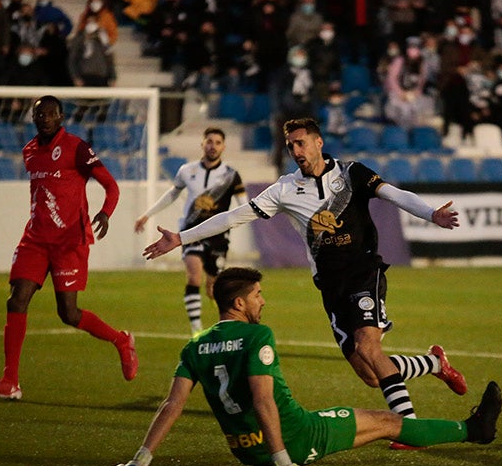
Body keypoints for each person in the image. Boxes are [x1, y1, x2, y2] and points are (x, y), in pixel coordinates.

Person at [141, 118, 468, 441]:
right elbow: (234, 216)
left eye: (301, 143)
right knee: (369, 372)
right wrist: (183, 237)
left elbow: (393, 194)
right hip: (330, 285)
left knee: (369, 346)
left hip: (363, 271)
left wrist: (430, 213)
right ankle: (434, 362)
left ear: (318, 142)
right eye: (290, 145)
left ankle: (409, 428)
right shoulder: (285, 189)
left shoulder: (351, 173)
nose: (296, 150)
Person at [96, 267, 502, 466]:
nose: (263, 301)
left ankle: (446, 386)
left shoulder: (195, 344)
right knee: (388, 420)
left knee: (374, 416)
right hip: (294, 437)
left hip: (243, 450)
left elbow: (172, 404)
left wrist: (141, 458)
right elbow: (263, 399)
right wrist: (284, 460)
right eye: (257, 295)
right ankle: (474, 429)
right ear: (238, 303)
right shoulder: (258, 337)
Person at [0, 95, 138, 401]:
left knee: (69, 313)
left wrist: (105, 212)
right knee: (16, 300)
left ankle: (121, 340)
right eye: (40, 114)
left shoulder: (77, 148)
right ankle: (10, 380)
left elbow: (110, 185)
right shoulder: (29, 152)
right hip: (35, 239)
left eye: (51, 114)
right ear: (33, 118)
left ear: (61, 117)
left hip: (69, 243)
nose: (46, 118)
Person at [134, 127, 246, 333]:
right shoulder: (186, 171)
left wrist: (240, 220)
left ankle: (217, 308)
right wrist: (147, 215)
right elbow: (172, 194)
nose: (213, 146)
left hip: (218, 235)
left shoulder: (231, 175)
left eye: (217, 142)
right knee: (194, 275)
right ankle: (197, 330)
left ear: (224, 147)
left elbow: (243, 202)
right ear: (202, 144)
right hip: (189, 232)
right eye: (209, 141)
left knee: (213, 287)